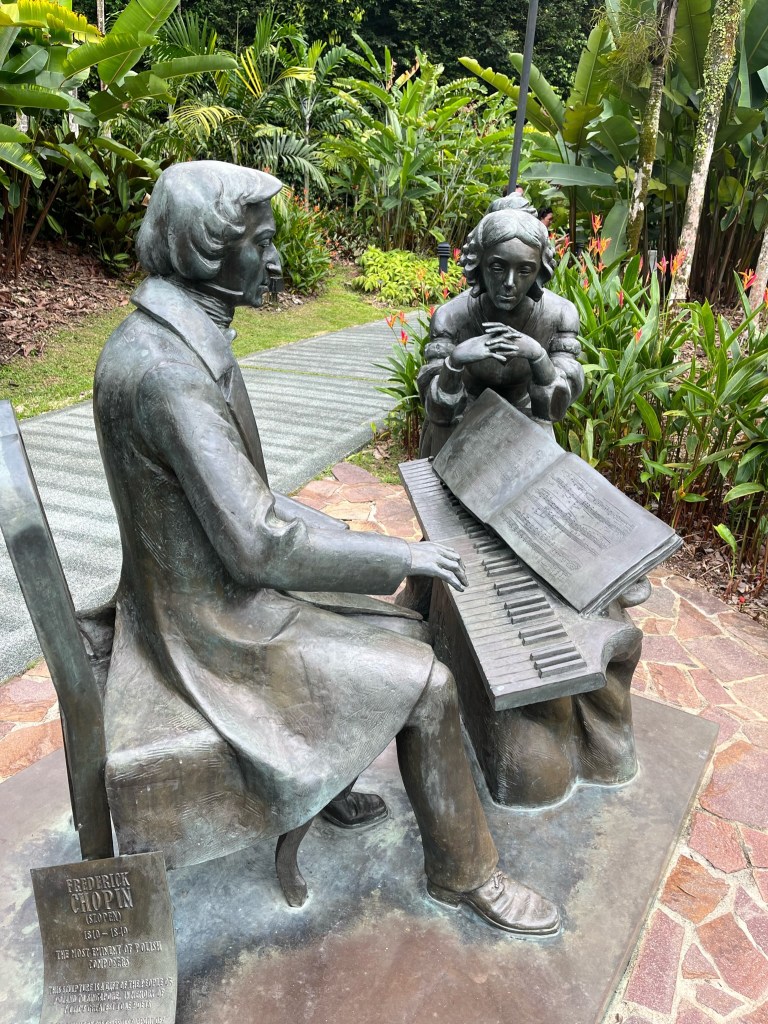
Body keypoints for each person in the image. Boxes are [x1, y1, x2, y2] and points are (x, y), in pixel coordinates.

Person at [92, 160, 559, 937]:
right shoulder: (167, 373)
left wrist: (360, 546)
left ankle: (326, 772)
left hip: (205, 593)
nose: (276, 261)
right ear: (209, 254)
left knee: (402, 616)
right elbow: (257, 545)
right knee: (430, 682)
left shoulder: (173, 340)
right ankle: (465, 872)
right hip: (214, 631)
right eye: (262, 243)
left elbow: (245, 498)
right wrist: (398, 556)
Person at [418, 208, 584, 458]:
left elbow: (553, 409)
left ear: (539, 272)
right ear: (479, 264)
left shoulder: (560, 314)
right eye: (497, 267)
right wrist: (455, 362)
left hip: (526, 422)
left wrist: (538, 356)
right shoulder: (451, 317)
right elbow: (438, 410)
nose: (509, 282)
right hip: (460, 419)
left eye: (525, 270)